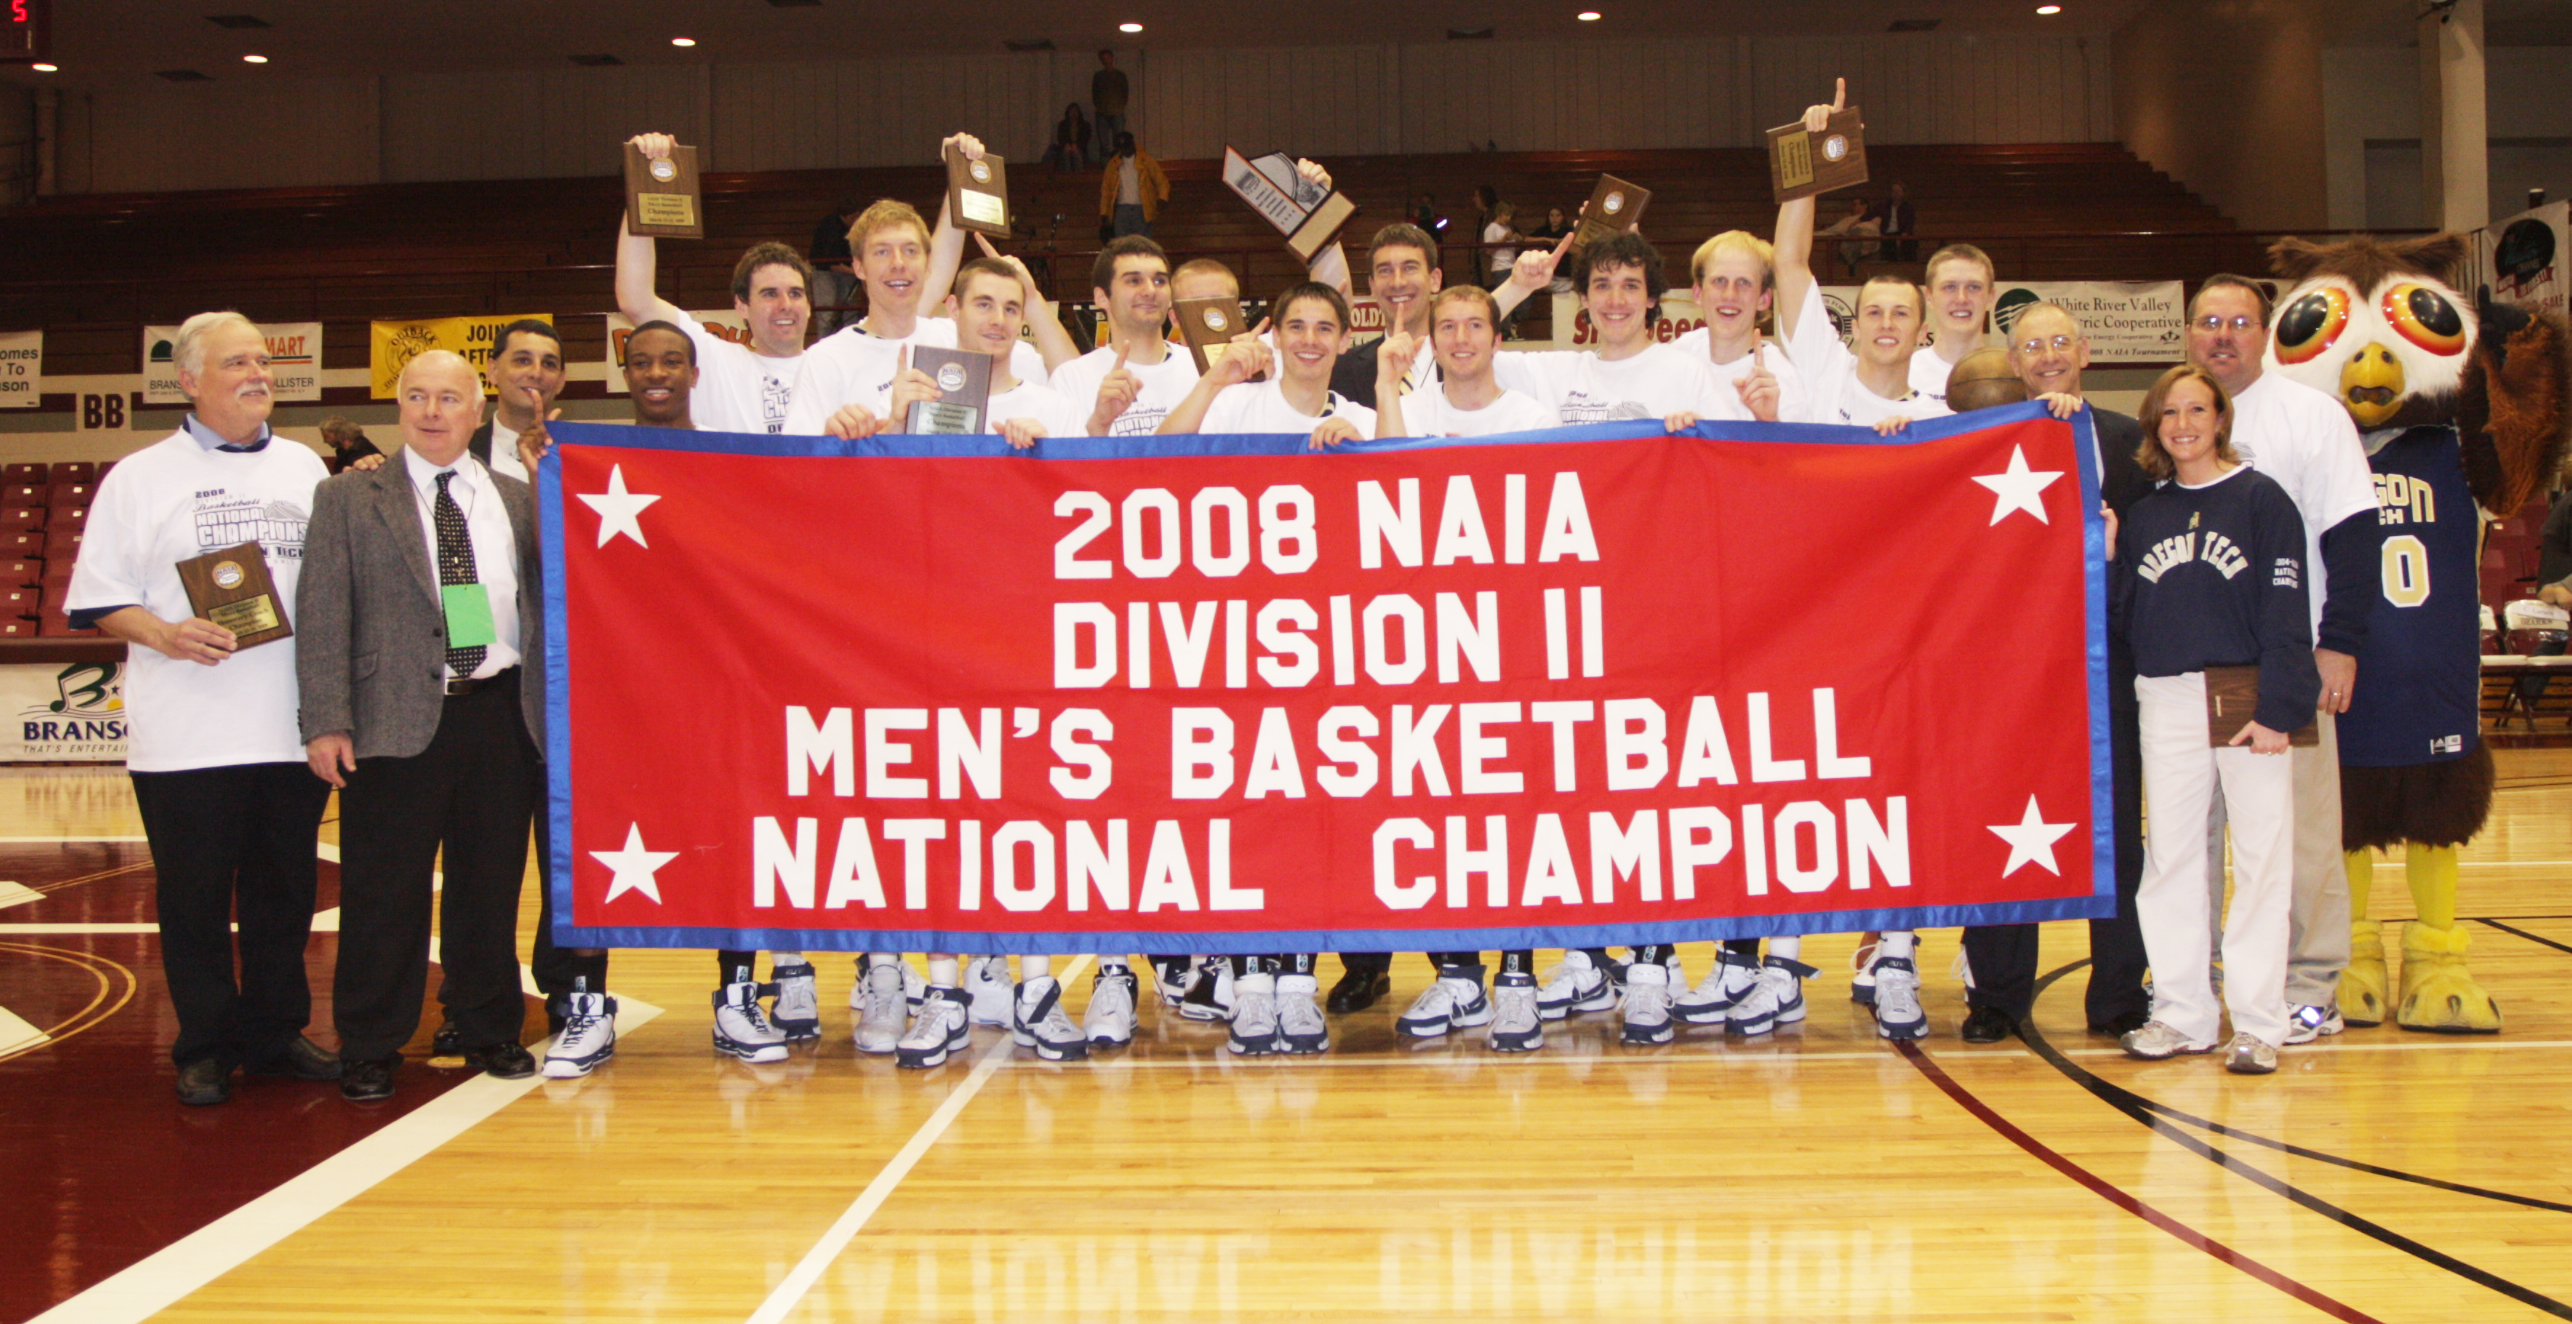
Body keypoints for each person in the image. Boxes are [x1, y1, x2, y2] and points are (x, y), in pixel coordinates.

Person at [63, 310, 337, 1107]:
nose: (259, 375)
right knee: (194, 896)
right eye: (236, 363)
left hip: (289, 730)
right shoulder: (139, 477)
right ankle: (205, 1043)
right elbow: (98, 601)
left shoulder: (303, 469)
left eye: (262, 361)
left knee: (284, 893)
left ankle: (275, 1032)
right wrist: (168, 633)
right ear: (188, 380)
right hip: (187, 736)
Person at [297, 350, 544, 1102]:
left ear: (477, 410)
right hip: (392, 718)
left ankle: (487, 1025)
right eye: (416, 397)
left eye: (448, 398)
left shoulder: (519, 496)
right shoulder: (349, 497)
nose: (432, 411)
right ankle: (370, 1043)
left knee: (490, 885)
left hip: (500, 713)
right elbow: (322, 614)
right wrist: (326, 720)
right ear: (398, 408)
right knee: (383, 890)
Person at [1771, 79, 1950, 1040]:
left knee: (1900, 805)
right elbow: (1790, 257)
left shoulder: (1954, 419)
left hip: (1907, 647)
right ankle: (1791, 966)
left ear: (1922, 329)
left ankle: (1896, 959)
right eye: (1873, 309)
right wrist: (1812, 150)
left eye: (1900, 314)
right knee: (1810, 799)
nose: (1885, 323)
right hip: (1820, 636)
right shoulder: (1821, 377)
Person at [1951, 303, 2157, 1044]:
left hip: (2105, 667)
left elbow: (2152, 560)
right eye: (2030, 345)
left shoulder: (2129, 440)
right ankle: (1998, 999)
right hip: (2003, 674)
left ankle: (2118, 996)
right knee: (2000, 829)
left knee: (2119, 836)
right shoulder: (1969, 440)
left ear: (2086, 351)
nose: (2046, 356)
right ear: (2010, 360)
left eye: (2059, 341)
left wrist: (2111, 559)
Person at [2185, 274, 2380, 1042]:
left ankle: (2310, 987)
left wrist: (2340, 643)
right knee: (2191, 839)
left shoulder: (2311, 416)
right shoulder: (2177, 418)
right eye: (2208, 322)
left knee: (2301, 838)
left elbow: (2354, 536)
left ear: (2265, 333)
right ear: (2189, 332)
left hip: (2286, 663)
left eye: (2239, 321)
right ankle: (2192, 983)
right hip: (2190, 671)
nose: (2223, 335)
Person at [2114, 363, 2318, 1076]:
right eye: (2168, 414)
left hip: (2248, 690)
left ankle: (2261, 1022)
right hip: (2167, 692)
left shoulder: (2263, 501)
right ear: (2155, 428)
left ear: (2221, 418)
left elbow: (2287, 610)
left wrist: (2280, 708)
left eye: (2195, 410)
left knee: (2261, 860)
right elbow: (2127, 616)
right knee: (2171, 857)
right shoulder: (2147, 515)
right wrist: (2110, 557)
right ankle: (2182, 1013)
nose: (2182, 425)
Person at [784, 132, 1048, 442]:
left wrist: (959, 171)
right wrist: (830, 439)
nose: (898, 263)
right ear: (858, 267)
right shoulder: (826, 360)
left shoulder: (962, 339)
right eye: (882, 252)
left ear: (925, 264)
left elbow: (1061, 383)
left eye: (910, 251)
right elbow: (797, 467)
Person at [621, 134, 816, 437]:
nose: (785, 305)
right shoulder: (716, 363)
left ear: (809, 306)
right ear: (741, 305)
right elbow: (635, 299)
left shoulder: (834, 368)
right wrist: (642, 182)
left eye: (795, 293)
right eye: (769, 294)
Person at [1049, 236, 1198, 438]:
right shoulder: (1072, 378)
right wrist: (1101, 422)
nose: (1150, 291)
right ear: (1102, 297)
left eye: (1159, 280)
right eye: (1134, 281)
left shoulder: (1203, 369)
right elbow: (1067, 467)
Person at [1373, 286, 1554, 440]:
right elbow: (1388, 475)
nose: (1461, 338)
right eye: (1448, 326)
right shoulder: (1406, 412)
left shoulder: (1533, 422)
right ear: (1434, 346)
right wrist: (1387, 385)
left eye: (1475, 325)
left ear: (1497, 342)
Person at [1673, 230, 1813, 425]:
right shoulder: (1681, 353)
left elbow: (1797, 455)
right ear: (1698, 293)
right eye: (1719, 281)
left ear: (1764, 299)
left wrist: (1769, 421)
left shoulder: (1781, 380)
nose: (1730, 295)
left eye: (1744, 283)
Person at [471, 319, 565, 482]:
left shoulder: (579, 455)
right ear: (493, 370)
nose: (536, 373)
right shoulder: (460, 450)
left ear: (561, 381)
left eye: (548, 364)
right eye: (523, 360)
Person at [1912, 243, 2000, 409]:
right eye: (1950, 287)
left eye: (1974, 287)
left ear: (1991, 297)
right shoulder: (1904, 376)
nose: (1961, 298)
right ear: (1929, 297)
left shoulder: (2014, 373)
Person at [1101, 132, 1167, 240]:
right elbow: (1106, 190)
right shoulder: (1113, 164)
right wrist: (1104, 212)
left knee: (1141, 244)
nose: (1125, 150)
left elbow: (1161, 181)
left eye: (1126, 147)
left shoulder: (1146, 161)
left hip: (1142, 208)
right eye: (1122, 148)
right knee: (1122, 245)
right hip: (1122, 209)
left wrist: (1162, 197)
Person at [809, 200, 858, 335]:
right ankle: (824, 342)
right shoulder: (830, 228)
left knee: (850, 310)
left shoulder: (852, 229)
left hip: (845, 270)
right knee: (826, 312)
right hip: (824, 272)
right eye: (852, 218)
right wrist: (854, 272)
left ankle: (852, 341)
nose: (855, 220)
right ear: (844, 217)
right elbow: (831, 264)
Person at [1817, 196, 1882, 272]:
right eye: (1853, 205)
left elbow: (1873, 228)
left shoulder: (1873, 217)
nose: (1853, 207)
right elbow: (1839, 229)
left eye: (1855, 204)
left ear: (1865, 205)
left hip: (1866, 243)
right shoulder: (1848, 219)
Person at [1090, 50, 1129, 164]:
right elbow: (1095, 93)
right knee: (1103, 141)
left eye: (1107, 58)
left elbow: (1125, 93)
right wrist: (1100, 106)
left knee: (1119, 140)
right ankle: (1105, 165)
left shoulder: (1120, 75)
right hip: (1102, 112)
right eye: (1103, 58)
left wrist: (1119, 106)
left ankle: (1119, 163)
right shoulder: (1098, 76)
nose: (1105, 61)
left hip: (1117, 111)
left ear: (1112, 58)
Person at [1043, 103, 1091, 172]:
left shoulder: (1085, 125)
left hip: (1079, 148)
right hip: (1066, 147)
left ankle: (1080, 174)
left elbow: (1085, 139)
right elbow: (1061, 138)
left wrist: (1077, 146)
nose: (1073, 113)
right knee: (1066, 153)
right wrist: (1066, 145)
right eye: (1071, 111)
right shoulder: (1062, 125)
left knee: (1077, 154)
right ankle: (1066, 174)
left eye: (1075, 111)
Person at [1879, 180, 1917, 263]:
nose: (1895, 194)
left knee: (1909, 243)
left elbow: (1910, 222)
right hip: (1888, 233)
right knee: (1888, 245)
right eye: (1893, 191)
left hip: (1903, 233)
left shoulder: (1908, 207)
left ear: (1903, 193)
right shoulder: (1885, 205)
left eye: (1898, 191)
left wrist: (1905, 233)